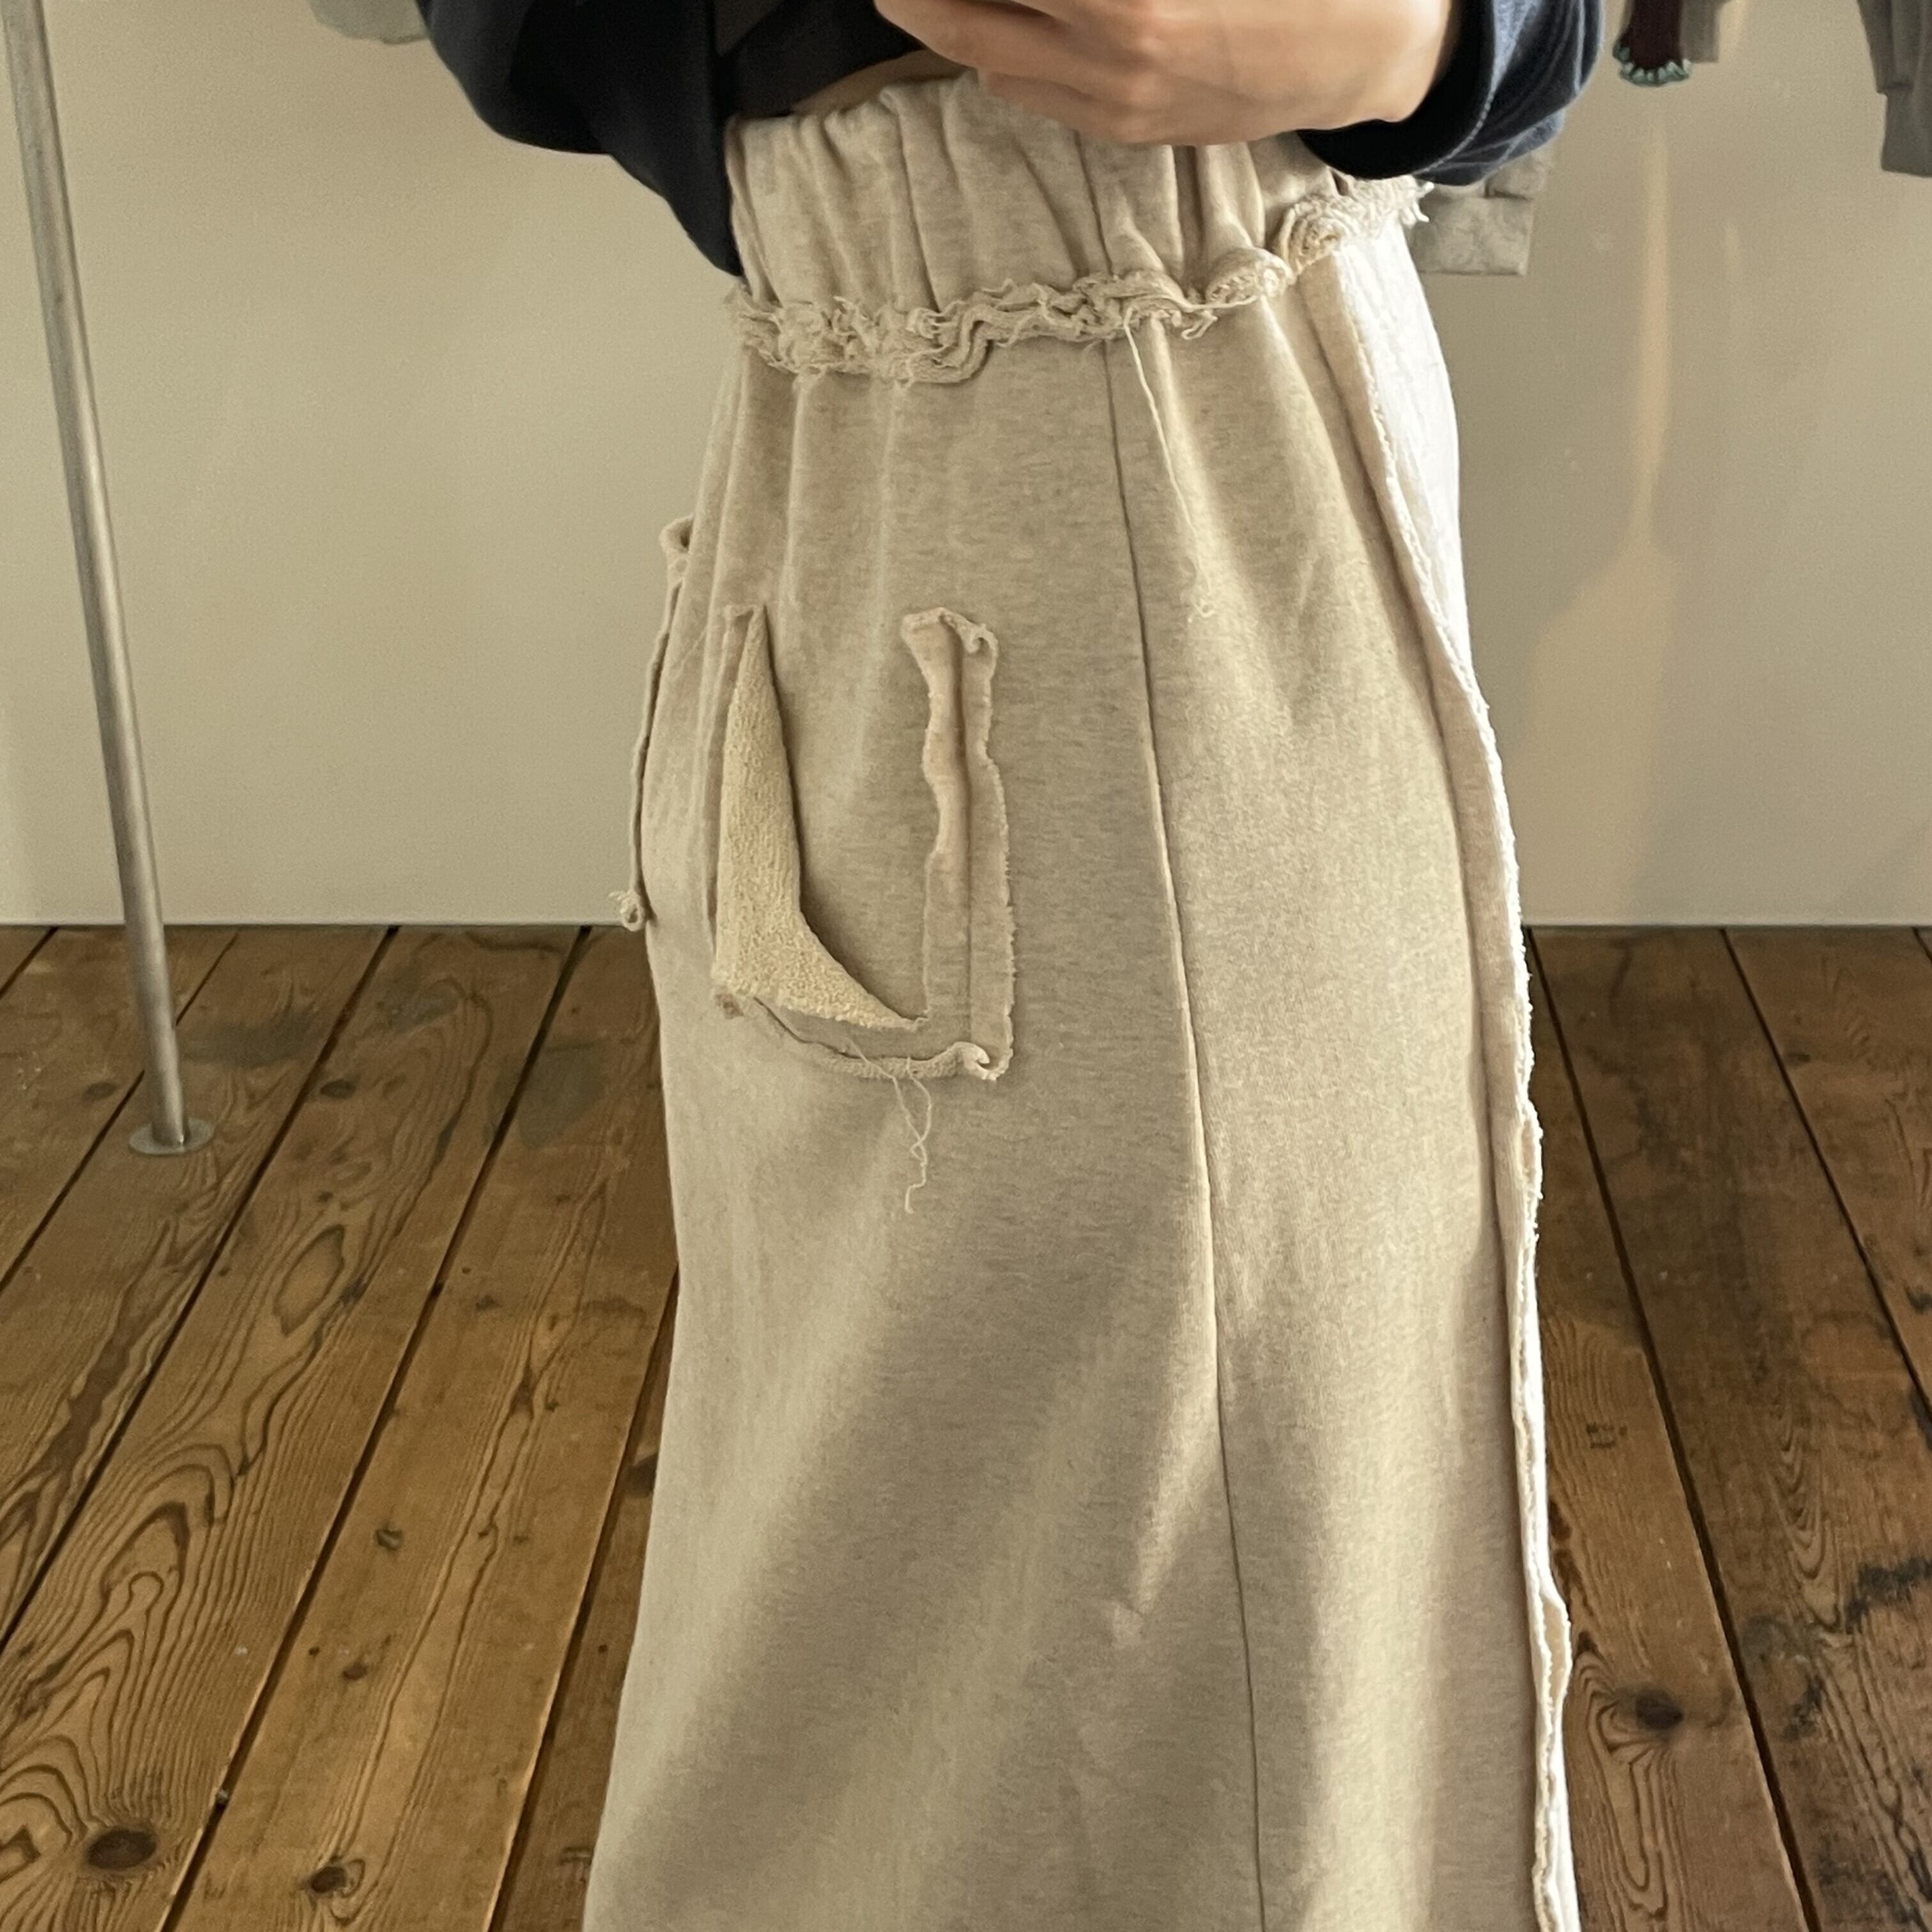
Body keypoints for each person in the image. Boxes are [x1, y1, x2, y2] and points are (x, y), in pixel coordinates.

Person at [417, 1, 1600, 1926]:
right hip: (896, 404)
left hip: (1233, 367)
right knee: (910, 1548)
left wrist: (1431, 41)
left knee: (1275, 1541)